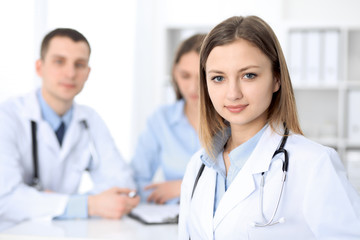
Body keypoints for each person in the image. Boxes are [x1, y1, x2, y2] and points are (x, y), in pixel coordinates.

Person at [178, 16, 360, 239]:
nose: (233, 93)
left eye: (249, 75)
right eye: (218, 78)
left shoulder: (315, 165)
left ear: (276, 78)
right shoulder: (198, 167)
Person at [0, 28, 140, 231]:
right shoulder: (8, 117)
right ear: (39, 67)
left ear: (88, 73)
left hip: (67, 231)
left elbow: (123, 185)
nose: (70, 73)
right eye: (59, 61)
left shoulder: (90, 119)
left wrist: (60, 203)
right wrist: (89, 204)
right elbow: (7, 198)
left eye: (79, 64)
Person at [131, 34, 206, 204]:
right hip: (170, 220)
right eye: (185, 76)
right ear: (174, 73)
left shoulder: (234, 123)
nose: (193, 87)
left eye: (202, 76)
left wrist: (183, 187)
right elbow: (136, 180)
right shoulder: (161, 119)